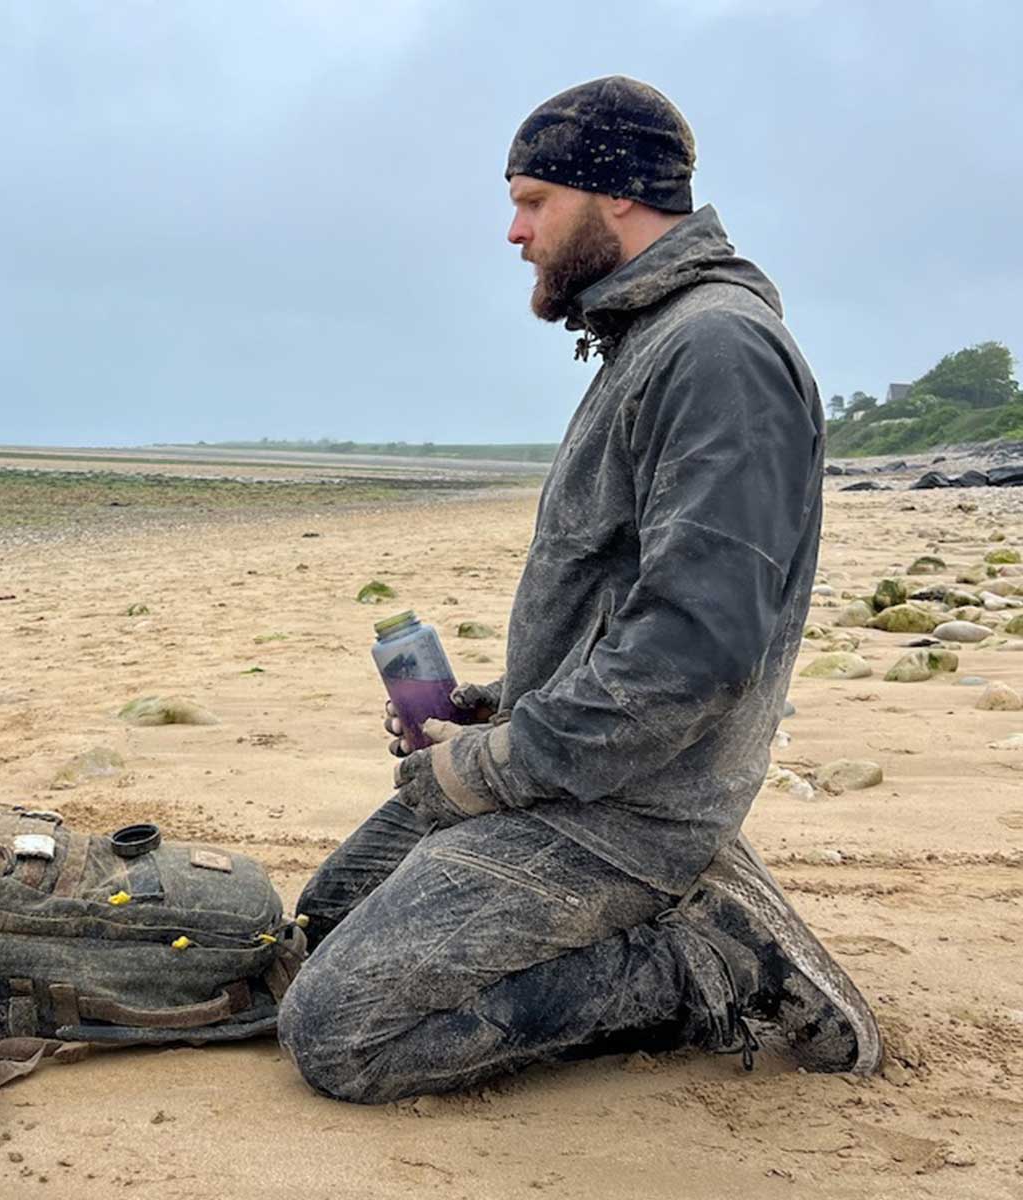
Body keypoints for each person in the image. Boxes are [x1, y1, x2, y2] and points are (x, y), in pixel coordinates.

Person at [278, 76, 881, 1103]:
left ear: (619, 197)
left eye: (532, 200)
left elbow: (696, 646)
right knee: (323, 922)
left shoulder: (716, 350)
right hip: (576, 765)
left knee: (338, 1033)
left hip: (625, 806)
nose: (512, 231)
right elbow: (629, 599)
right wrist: (502, 709)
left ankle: (709, 961)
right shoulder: (648, 341)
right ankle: (673, 909)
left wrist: (498, 765)